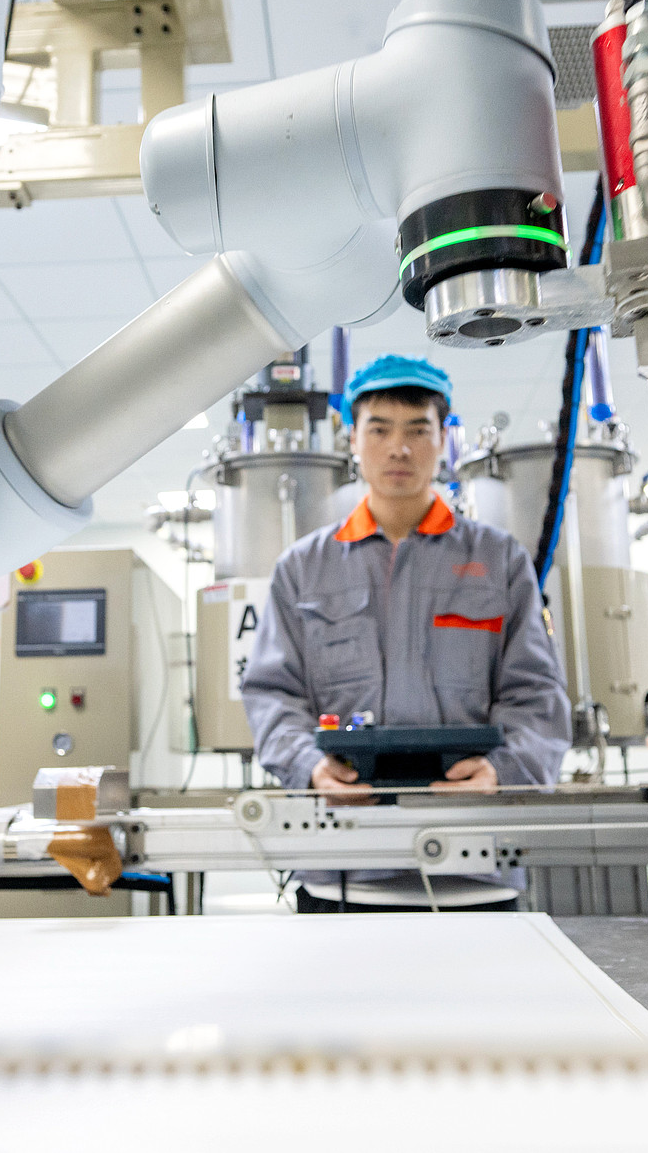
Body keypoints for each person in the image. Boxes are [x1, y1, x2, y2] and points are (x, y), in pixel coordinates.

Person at [240, 354, 571, 911]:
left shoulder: (498, 560)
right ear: (352, 440)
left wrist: (502, 771)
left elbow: (537, 694)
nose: (399, 449)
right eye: (380, 430)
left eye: (418, 430)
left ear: (443, 441)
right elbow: (273, 693)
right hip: (342, 868)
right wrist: (308, 766)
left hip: (473, 867)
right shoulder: (304, 568)